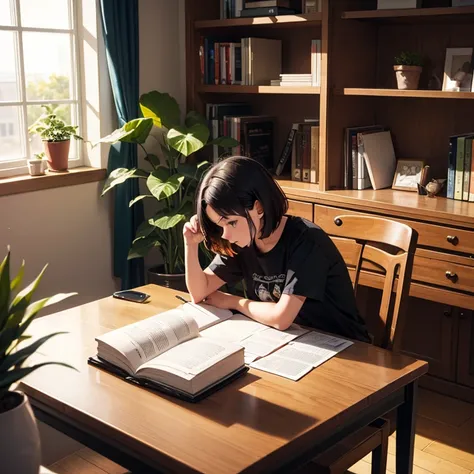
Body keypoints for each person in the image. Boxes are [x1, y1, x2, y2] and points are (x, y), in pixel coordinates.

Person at [183, 156, 370, 342]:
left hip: (344, 347)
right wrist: (190, 245)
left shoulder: (307, 240)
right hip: (292, 340)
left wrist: (232, 301)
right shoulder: (244, 240)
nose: (225, 235)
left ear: (259, 207)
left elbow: (282, 318)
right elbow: (200, 292)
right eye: (219, 225)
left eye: (231, 222)